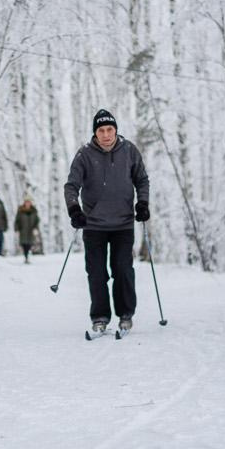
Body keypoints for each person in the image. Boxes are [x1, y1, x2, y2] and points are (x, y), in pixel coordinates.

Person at [64, 108, 149, 336]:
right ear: (96, 133)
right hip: (93, 225)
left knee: (122, 269)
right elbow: (71, 185)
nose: (106, 134)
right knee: (97, 272)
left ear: (115, 130)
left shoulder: (129, 150)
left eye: (109, 129)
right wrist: (74, 209)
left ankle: (125, 315)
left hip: (123, 223)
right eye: (101, 130)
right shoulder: (84, 155)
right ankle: (100, 317)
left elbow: (141, 179)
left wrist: (142, 203)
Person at [14, 195, 40, 264]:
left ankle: (27, 256)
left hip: (31, 230)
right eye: (27, 202)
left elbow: (37, 220)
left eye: (29, 202)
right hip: (23, 230)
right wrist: (16, 229)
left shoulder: (34, 210)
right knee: (24, 244)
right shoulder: (20, 210)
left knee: (30, 244)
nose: (28, 203)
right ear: (24, 202)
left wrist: (36, 228)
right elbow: (17, 220)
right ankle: (26, 257)